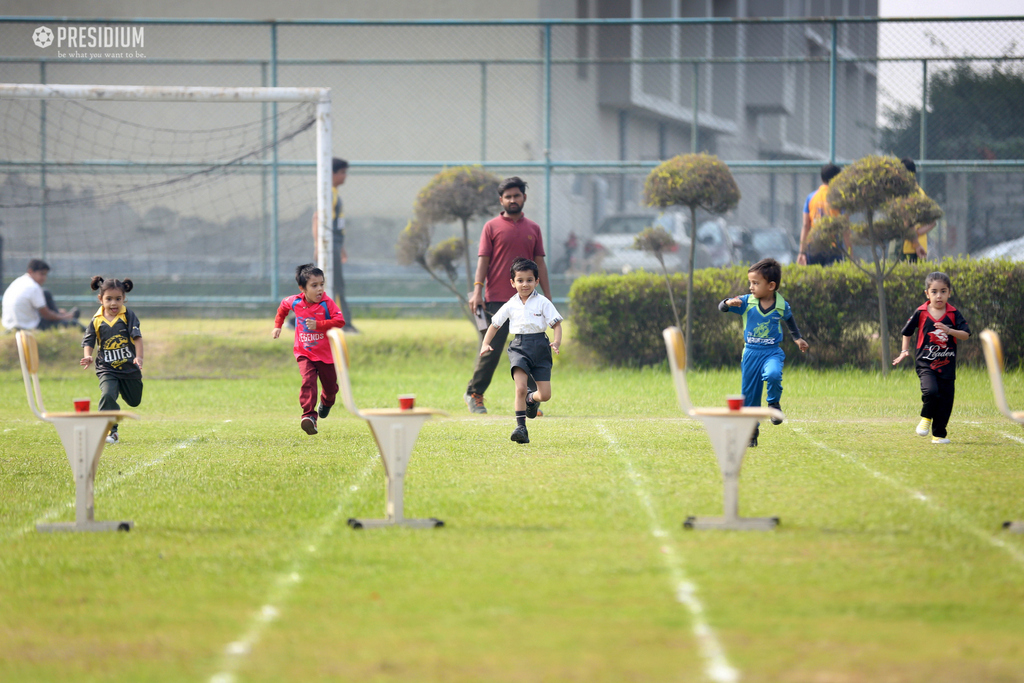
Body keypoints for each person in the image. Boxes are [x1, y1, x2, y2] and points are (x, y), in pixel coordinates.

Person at [465, 176, 551, 414]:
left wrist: (548, 296)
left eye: (517, 195)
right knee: (490, 349)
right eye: (508, 196)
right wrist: (477, 290)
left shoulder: (533, 228)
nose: (513, 200)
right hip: (496, 299)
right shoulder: (491, 227)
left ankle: (530, 401)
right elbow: (483, 261)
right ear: (501, 200)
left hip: (528, 301)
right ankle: (475, 393)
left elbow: (540, 265)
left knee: (531, 348)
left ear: (524, 197)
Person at [718, 258, 809, 447]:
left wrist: (797, 338)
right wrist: (728, 302)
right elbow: (722, 307)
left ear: (771, 286)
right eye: (750, 282)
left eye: (756, 283)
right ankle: (751, 432)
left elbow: (789, 320)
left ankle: (774, 404)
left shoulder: (781, 305)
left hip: (771, 352)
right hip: (751, 354)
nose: (751, 287)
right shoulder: (746, 302)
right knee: (750, 396)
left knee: (774, 374)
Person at [479, 258, 562, 444]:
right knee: (521, 388)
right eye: (520, 280)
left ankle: (532, 400)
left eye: (529, 280)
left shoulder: (543, 302)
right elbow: (494, 325)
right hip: (519, 347)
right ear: (513, 282)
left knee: (545, 395)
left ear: (537, 281)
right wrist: (485, 344)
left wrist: (556, 342)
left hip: (541, 347)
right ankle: (521, 427)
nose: (525, 284)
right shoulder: (510, 304)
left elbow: (556, 324)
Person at [892, 271, 971, 444]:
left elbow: (965, 334)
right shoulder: (920, 312)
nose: (939, 295)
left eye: (943, 291)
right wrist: (904, 351)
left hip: (947, 366)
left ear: (949, 293)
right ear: (927, 294)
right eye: (934, 291)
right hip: (925, 364)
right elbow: (907, 332)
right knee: (931, 392)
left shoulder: (953, 313)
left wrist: (949, 331)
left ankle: (939, 435)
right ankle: (926, 418)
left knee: (946, 402)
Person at [273, 263, 346, 436]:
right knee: (308, 382)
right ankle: (309, 417)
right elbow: (283, 307)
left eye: (322, 284)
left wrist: (319, 325)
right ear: (302, 288)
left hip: (327, 355)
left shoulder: (327, 303)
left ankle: (326, 402)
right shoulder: (295, 302)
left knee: (330, 388)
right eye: (314, 286)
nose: (320, 289)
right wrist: (278, 326)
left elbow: (340, 321)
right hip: (304, 352)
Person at [80, 276, 143, 445]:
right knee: (108, 395)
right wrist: (88, 355)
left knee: (134, 401)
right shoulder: (96, 320)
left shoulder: (128, 315)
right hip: (107, 368)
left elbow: (137, 338)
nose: (114, 303)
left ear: (124, 299)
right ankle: (109, 431)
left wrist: (139, 357)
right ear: (100, 299)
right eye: (109, 299)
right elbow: (89, 341)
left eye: (118, 299)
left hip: (129, 368)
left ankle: (119, 392)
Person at [312, 157, 357, 332]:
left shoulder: (334, 193)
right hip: (329, 245)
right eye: (342, 172)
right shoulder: (328, 194)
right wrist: (318, 245)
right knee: (335, 285)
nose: (345, 176)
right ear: (331, 173)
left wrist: (341, 247)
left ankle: (298, 321)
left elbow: (335, 224)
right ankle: (344, 324)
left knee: (325, 285)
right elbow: (317, 219)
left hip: (335, 244)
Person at [2, 259, 80, 332]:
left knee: (45, 293)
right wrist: (65, 317)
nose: (44, 278)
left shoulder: (18, 282)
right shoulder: (34, 287)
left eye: (45, 275)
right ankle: (69, 319)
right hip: (28, 326)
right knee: (73, 323)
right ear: (30, 271)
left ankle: (61, 314)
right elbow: (46, 315)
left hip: (10, 326)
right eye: (41, 274)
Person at [797, 163, 850, 266]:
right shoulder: (840, 198)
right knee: (832, 279)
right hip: (833, 246)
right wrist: (850, 254)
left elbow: (805, 226)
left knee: (813, 279)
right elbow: (845, 229)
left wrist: (802, 252)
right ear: (837, 179)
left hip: (813, 246)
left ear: (822, 178)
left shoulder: (811, 197)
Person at [898, 158, 938, 262]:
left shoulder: (906, 194)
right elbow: (933, 222)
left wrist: (915, 243)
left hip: (907, 248)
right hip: (920, 247)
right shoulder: (921, 193)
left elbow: (907, 222)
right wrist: (918, 233)